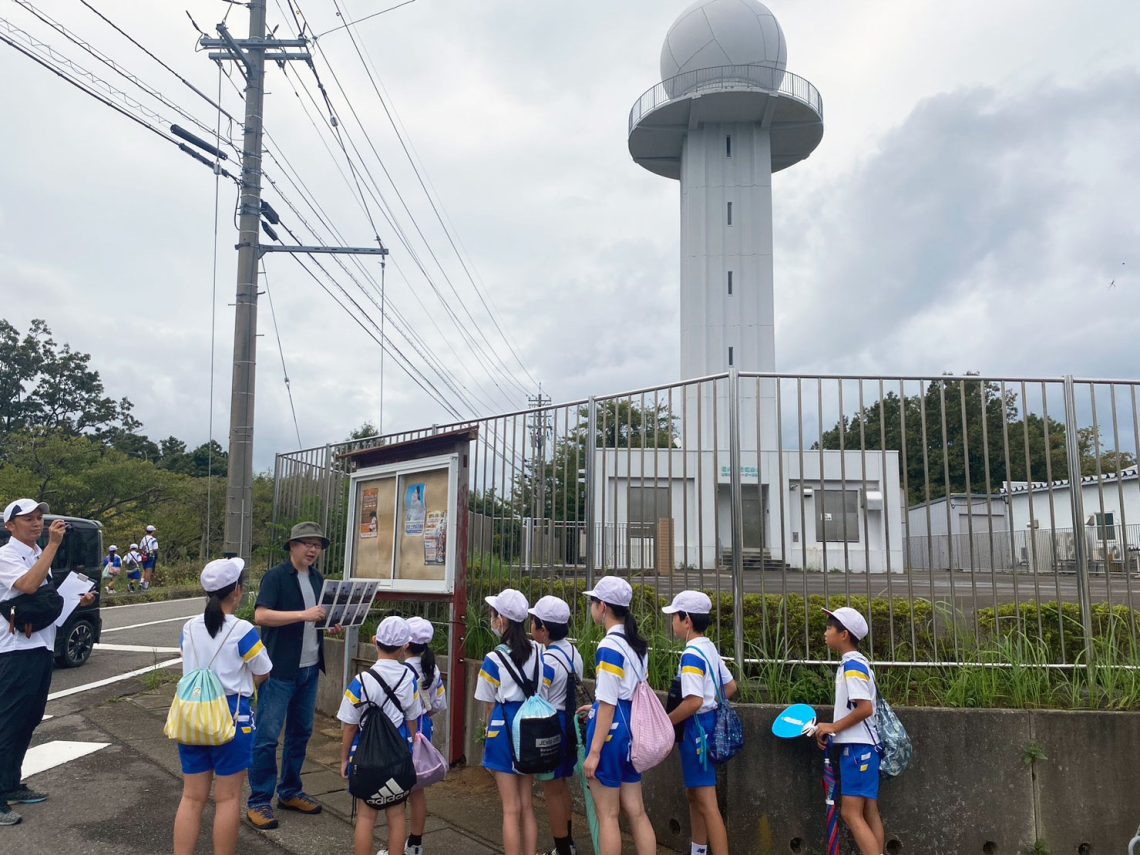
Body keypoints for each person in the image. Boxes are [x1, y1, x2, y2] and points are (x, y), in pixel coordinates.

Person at [0, 498, 95, 826]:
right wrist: (54, 545)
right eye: (28, 518)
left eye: (39, 517)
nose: (37, 523)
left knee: (28, 719)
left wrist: (74, 599)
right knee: (8, 723)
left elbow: (46, 604)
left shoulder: (38, 554)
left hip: (40, 647)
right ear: (10, 526)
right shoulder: (5, 556)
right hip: (14, 652)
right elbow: (27, 586)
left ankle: (11, 785)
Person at [173, 557, 272, 855]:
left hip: (191, 717)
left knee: (191, 798)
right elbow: (263, 669)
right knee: (228, 799)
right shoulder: (243, 630)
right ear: (238, 591)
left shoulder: (189, 627)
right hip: (232, 717)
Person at [247, 522, 332, 830]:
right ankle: (259, 801)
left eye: (317, 545)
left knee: (301, 733)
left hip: (310, 668)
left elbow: (316, 619)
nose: (312, 549)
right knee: (267, 737)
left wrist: (327, 624)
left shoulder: (318, 578)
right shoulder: (276, 577)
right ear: (292, 546)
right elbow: (261, 615)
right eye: (306, 543)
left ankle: (290, 791)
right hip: (280, 670)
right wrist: (303, 616)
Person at [582, 575, 657, 855]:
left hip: (611, 730)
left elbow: (609, 702)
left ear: (602, 607)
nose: (591, 608)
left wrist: (594, 752)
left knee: (608, 816)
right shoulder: (636, 643)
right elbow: (625, 693)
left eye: (592, 602)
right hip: (631, 728)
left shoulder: (609, 646)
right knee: (637, 812)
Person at [339, 616, 422, 855]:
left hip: (366, 759)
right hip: (397, 758)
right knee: (397, 814)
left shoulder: (360, 681)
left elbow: (350, 726)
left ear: (375, 641)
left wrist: (344, 759)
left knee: (366, 816)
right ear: (405, 646)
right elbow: (412, 719)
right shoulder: (409, 678)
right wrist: (411, 752)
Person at [662, 591, 737, 855]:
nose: (672, 622)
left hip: (697, 730)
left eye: (674, 616)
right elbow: (730, 685)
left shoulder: (691, 654)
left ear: (687, 621)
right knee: (695, 796)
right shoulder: (708, 647)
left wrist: (665, 722)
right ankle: (698, 850)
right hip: (707, 725)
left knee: (706, 802)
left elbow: (692, 701)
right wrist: (711, 702)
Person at [812, 606, 885, 855]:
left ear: (844, 634)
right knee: (869, 810)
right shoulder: (857, 663)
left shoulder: (852, 665)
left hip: (857, 750)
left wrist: (833, 727)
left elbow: (864, 708)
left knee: (850, 813)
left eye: (830, 628)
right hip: (866, 748)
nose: (825, 632)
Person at [475, 588, 542, 855]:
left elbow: (488, 702)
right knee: (526, 804)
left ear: (501, 620)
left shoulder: (494, 659)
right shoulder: (538, 650)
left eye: (494, 614)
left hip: (504, 730)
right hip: (530, 728)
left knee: (510, 808)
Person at [529, 595, 584, 855]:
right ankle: (568, 843)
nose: (531, 627)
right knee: (562, 784)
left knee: (552, 789)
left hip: (554, 725)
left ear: (544, 629)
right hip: (572, 724)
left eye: (534, 622)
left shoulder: (549, 660)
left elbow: (541, 697)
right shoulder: (574, 652)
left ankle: (562, 848)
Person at [403, 616, 446, 855]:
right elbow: (438, 704)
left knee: (397, 793)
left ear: (405, 644)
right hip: (423, 731)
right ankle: (415, 845)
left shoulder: (401, 670)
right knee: (417, 790)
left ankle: (394, 847)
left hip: (402, 733)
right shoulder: (433, 668)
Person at [139, 524, 158, 591]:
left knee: (144, 570)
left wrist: (143, 554)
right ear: (152, 531)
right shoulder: (153, 539)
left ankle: (142, 582)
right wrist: (156, 557)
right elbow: (155, 549)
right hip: (150, 556)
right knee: (148, 571)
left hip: (143, 556)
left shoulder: (143, 539)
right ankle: (145, 587)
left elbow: (140, 548)